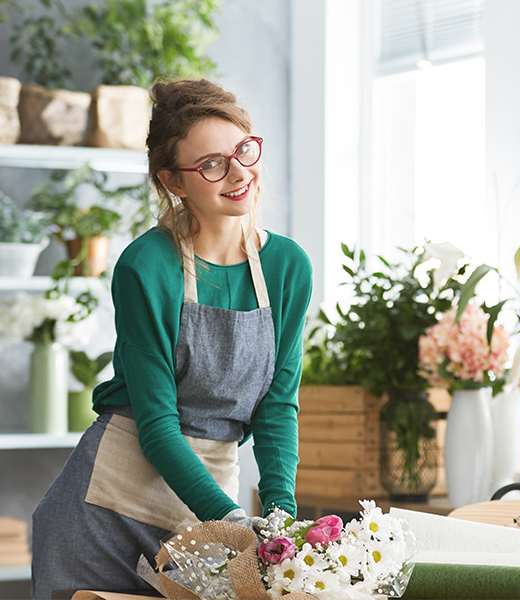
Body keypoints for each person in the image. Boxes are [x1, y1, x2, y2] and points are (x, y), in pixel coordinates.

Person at [31, 79, 313, 599]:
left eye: (242, 151)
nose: (238, 173)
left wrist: (279, 522)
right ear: (174, 181)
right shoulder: (147, 266)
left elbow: (277, 407)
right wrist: (230, 519)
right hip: (104, 517)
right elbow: (158, 425)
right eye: (211, 164)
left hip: (204, 512)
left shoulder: (286, 267)